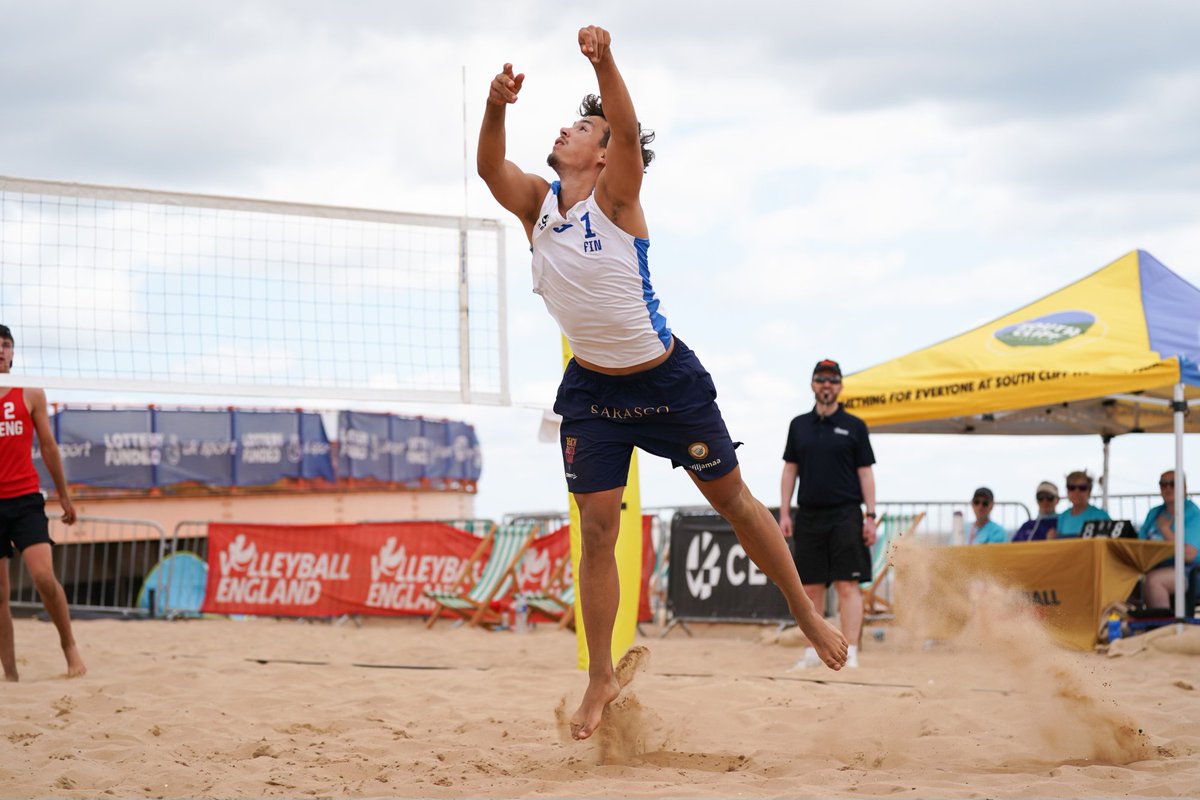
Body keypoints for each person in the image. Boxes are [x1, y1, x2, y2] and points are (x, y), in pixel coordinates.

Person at [476, 27, 847, 739]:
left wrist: (603, 61)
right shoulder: (537, 205)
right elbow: (491, 167)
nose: (565, 127)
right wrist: (495, 105)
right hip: (594, 393)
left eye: (581, 125)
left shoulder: (617, 199)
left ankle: (803, 609)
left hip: (667, 381)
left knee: (735, 502)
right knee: (597, 529)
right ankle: (599, 678)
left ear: (608, 150)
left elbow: (622, 120)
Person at [0, 324, 87, 680]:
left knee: (43, 577)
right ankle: (10, 674)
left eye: (5, 345)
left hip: (24, 499)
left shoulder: (30, 391)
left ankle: (70, 649)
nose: (0, 350)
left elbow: (49, 447)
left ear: (13, 353)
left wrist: (65, 496)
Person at [779, 359, 876, 669]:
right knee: (809, 587)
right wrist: (784, 512)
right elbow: (789, 470)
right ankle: (813, 651)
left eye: (833, 380)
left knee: (848, 585)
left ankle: (852, 652)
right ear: (812, 385)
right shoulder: (798, 425)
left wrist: (870, 516)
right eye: (821, 379)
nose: (827, 385)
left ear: (840, 386)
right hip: (808, 514)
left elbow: (866, 474)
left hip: (847, 514)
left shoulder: (855, 426)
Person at [1139, 470, 1200, 609]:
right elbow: (1139, 545)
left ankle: (1163, 627)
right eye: (1163, 484)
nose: (1168, 488)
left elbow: (1189, 554)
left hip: (1189, 571)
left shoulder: (1194, 514)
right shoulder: (1154, 512)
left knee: (1154, 581)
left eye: (1173, 484)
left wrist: (1165, 530)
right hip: (1153, 566)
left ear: (1184, 488)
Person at [1050, 470, 1110, 538]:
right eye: (1071, 487)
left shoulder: (1101, 516)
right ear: (1067, 491)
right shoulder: (1063, 517)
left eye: (1082, 488)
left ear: (1089, 491)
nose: (1077, 491)